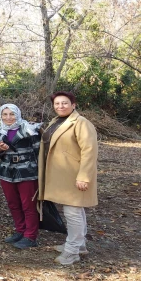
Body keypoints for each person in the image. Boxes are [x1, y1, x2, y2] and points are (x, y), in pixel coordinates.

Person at [39, 91, 98, 265]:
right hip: (62, 175)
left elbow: (89, 151)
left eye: (64, 103)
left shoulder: (82, 123)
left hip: (75, 175)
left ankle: (72, 251)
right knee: (75, 210)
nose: (60, 106)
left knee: (72, 212)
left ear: (73, 105)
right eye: (57, 104)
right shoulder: (56, 121)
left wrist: (84, 176)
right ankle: (79, 245)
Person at [0, 104, 41, 249]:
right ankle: (20, 230)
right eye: (5, 114)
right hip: (6, 172)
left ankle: (30, 236)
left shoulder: (30, 130)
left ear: (18, 114)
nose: (8, 117)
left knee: (28, 205)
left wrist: (42, 173)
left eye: (12, 114)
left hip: (27, 172)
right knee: (13, 203)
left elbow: (40, 153)